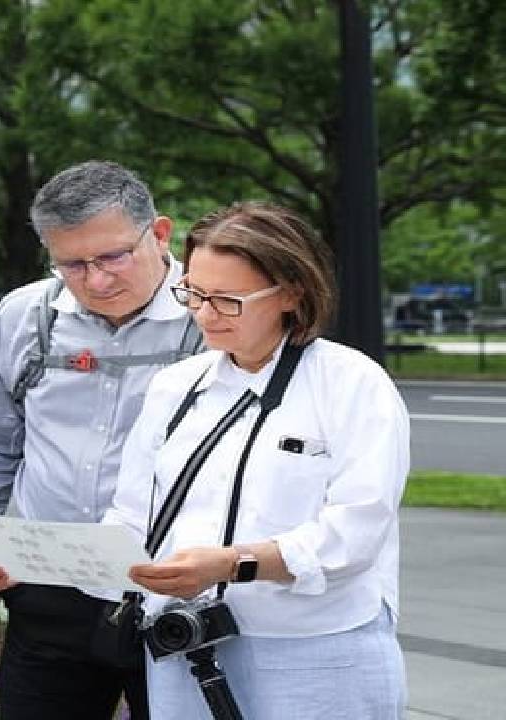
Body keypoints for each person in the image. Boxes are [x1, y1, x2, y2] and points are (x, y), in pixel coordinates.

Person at [104, 201, 410, 719]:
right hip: (185, 651)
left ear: (292, 292)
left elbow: (355, 533)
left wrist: (232, 564)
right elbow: (135, 516)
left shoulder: (352, 383)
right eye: (194, 294)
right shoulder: (175, 387)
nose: (203, 314)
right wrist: (39, 561)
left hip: (315, 653)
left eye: (227, 300)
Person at [0, 161, 201, 720]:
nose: (96, 280)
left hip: (175, 593)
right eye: (72, 264)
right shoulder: (25, 315)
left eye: (113, 257)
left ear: (159, 233)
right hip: (47, 594)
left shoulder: (208, 318)